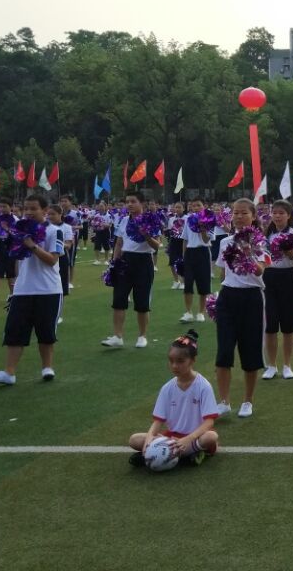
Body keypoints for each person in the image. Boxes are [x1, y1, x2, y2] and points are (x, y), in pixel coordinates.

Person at [0, 195, 64, 385]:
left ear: (44, 211)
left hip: (48, 290)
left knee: (46, 332)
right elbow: (16, 258)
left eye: (33, 208)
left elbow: (52, 260)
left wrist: (32, 245)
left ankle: (47, 368)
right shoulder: (19, 230)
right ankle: (9, 373)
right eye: (26, 208)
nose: (29, 212)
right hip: (23, 290)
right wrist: (16, 282)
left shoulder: (54, 231)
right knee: (15, 331)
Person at [128, 329, 220, 467]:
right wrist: (149, 439)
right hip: (172, 438)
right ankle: (183, 455)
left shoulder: (203, 386)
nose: (174, 366)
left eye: (180, 361)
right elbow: (158, 421)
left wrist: (188, 439)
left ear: (193, 360)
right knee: (134, 440)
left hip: (196, 436)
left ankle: (161, 456)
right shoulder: (167, 388)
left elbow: (209, 422)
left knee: (211, 437)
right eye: (171, 361)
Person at [214, 198, 266, 417]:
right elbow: (223, 272)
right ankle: (224, 401)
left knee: (250, 351)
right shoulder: (225, 242)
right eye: (235, 213)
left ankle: (248, 401)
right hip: (228, 297)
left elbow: (260, 270)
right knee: (224, 351)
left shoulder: (260, 242)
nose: (239, 217)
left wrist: (247, 251)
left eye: (244, 213)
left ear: (253, 216)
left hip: (251, 298)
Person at [101, 191, 162, 349]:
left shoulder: (151, 220)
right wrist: (114, 263)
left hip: (143, 262)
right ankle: (117, 336)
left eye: (133, 201)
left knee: (142, 302)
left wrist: (146, 235)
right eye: (127, 201)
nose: (129, 204)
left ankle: (142, 336)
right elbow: (119, 243)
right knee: (118, 300)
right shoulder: (124, 220)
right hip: (125, 261)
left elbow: (157, 246)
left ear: (142, 203)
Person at [262, 200, 293, 378]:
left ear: (288, 215)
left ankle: (287, 365)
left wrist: (288, 251)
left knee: (288, 325)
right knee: (270, 325)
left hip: (288, 278)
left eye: (281, 213)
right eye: (275, 212)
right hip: (268, 278)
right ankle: (271, 365)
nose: (277, 216)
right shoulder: (265, 235)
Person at [180, 199, 213, 324]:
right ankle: (188, 312)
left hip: (203, 252)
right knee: (188, 283)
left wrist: (203, 227)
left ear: (204, 206)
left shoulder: (210, 220)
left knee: (203, 283)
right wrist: (184, 257)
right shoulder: (188, 220)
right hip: (190, 253)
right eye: (193, 205)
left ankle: (201, 312)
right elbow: (185, 239)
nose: (196, 207)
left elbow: (206, 240)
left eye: (199, 205)